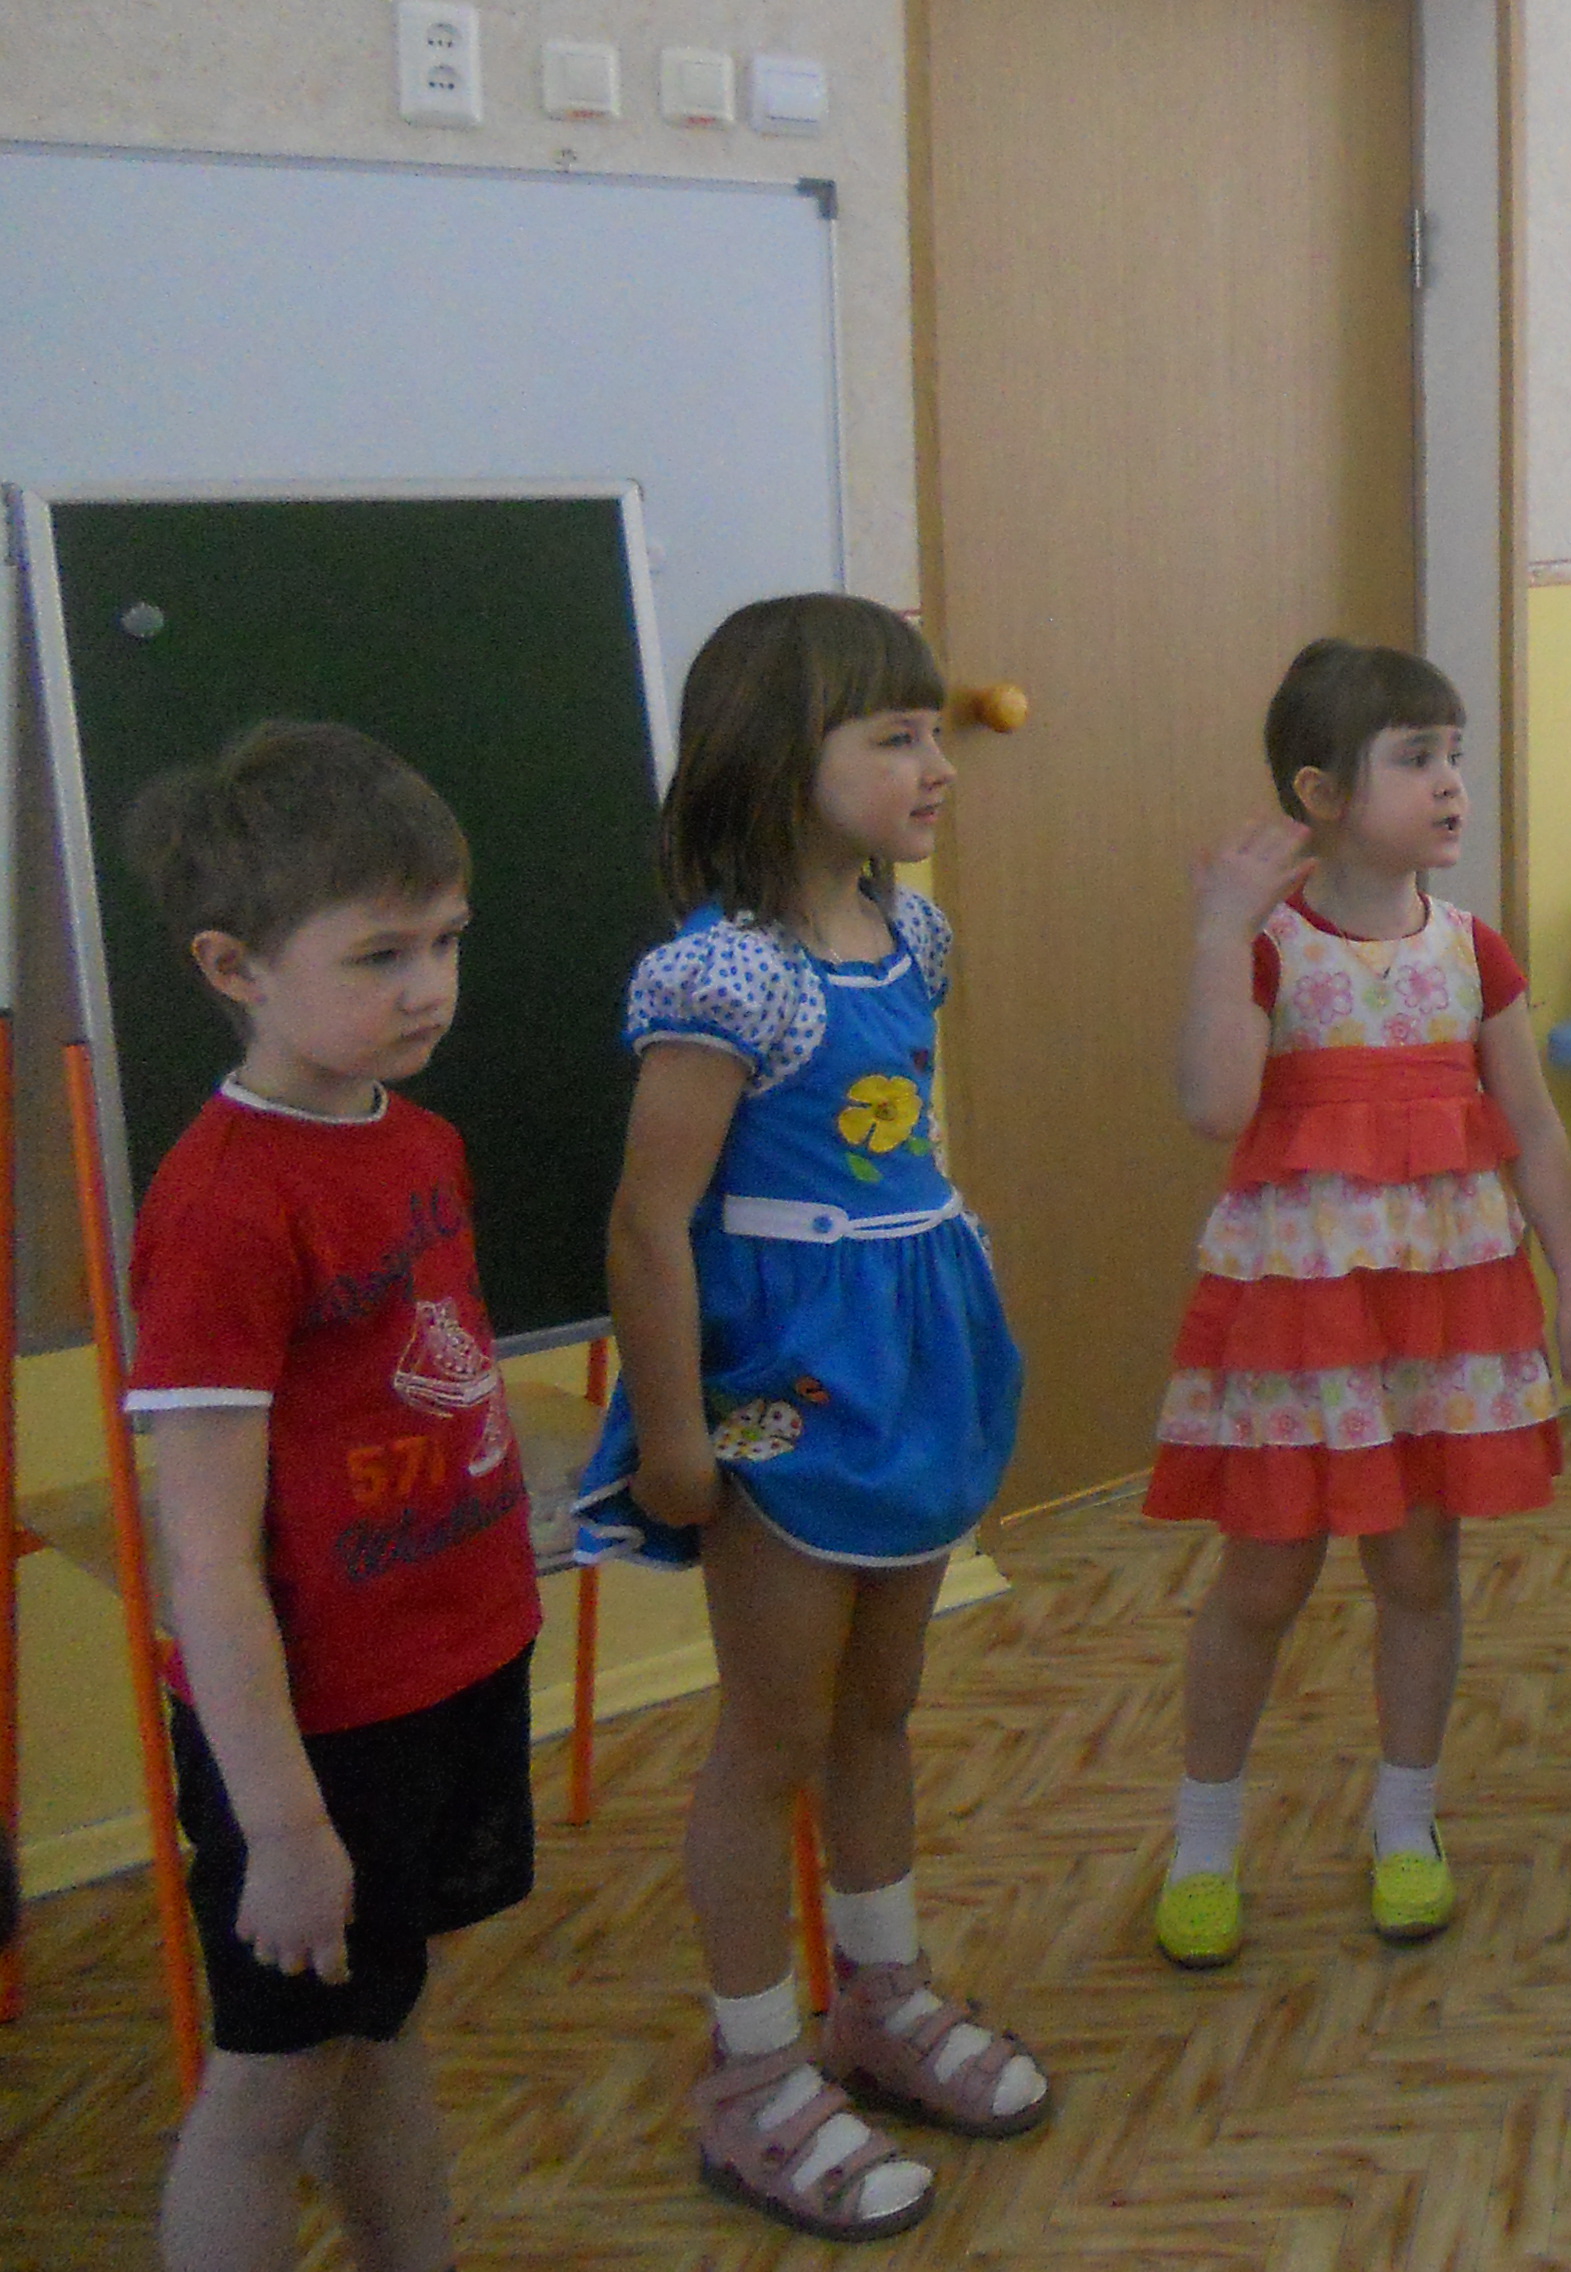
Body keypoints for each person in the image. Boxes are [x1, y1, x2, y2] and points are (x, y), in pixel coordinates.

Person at [575, 595, 1041, 2241]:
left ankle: (880, 1998)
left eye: (933, 732)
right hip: (784, 1388)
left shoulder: (914, 939)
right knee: (771, 1733)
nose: (937, 765)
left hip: (911, 1361)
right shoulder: (723, 979)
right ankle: (754, 2074)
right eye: (894, 737)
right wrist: (674, 1434)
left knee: (880, 1709)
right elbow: (650, 1224)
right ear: (785, 763)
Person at [120, 725, 539, 2272]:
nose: (429, 986)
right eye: (379, 954)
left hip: (448, 1680)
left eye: (446, 941)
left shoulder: (420, 1141)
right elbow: (205, 1563)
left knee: (386, 2025)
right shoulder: (224, 1208)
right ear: (234, 967)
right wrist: (286, 1828)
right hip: (311, 1740)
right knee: (268, 2083)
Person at [1144, 641, 1571, 1967]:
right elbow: (1214, 1107)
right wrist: (1216, 934)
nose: (1452, 782)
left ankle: (1406, 1824)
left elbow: (1533, 1131)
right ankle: (1202, 1845)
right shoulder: (1270, 948)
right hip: (1305, 1324)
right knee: (1263, 1579)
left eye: (1454, 754)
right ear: (1322, 793)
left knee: (1418, 1568)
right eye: (1417, 759)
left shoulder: (1473, 951)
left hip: (1441, 1318)